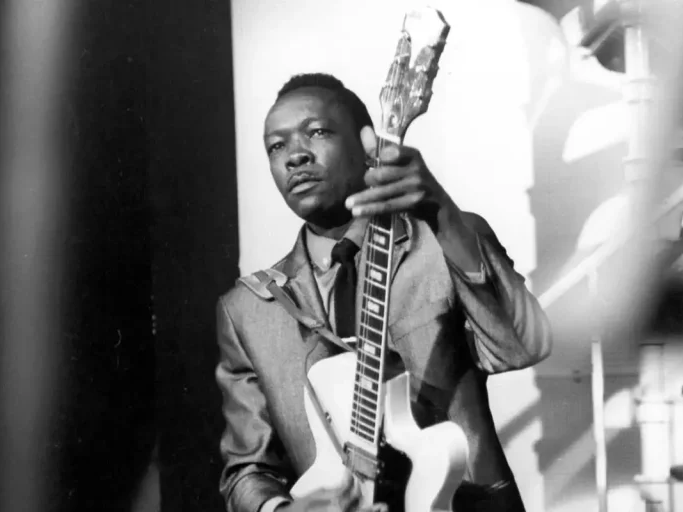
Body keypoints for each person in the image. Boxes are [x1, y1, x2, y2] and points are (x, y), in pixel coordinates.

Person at [214, 72, 552, 512]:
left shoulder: (443, 240)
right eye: (276, 146)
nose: (294, 155)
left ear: (367, 147)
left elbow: (525, 347)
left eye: (317, 132)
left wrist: (443, 213)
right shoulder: (249, 308)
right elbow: (247, 469)